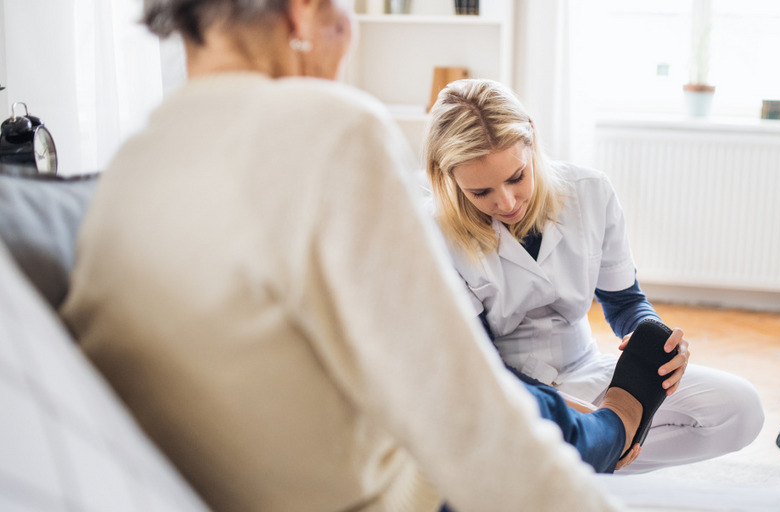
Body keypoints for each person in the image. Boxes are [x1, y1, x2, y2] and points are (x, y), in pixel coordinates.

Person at [59, 1, 667, 511]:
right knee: (521, 403)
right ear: (303, 13)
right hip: (366, 494)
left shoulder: (129, 166)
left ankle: (598, 425)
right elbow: (462, 411)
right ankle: (609, 430)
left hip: (219, 476)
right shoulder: (331, 129)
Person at [425, 78, 766, 473]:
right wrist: (581, 418)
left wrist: (654, 340)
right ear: (449, 178)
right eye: (481, 192)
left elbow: (624, 302)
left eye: (516, 177)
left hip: (587, 369)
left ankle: (588, 459)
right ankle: (586, 453)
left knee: (742, 409)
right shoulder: (432, 231)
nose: (506, 201)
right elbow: (479, 361)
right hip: (506, 390)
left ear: (531, 141)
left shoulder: (590, 192)